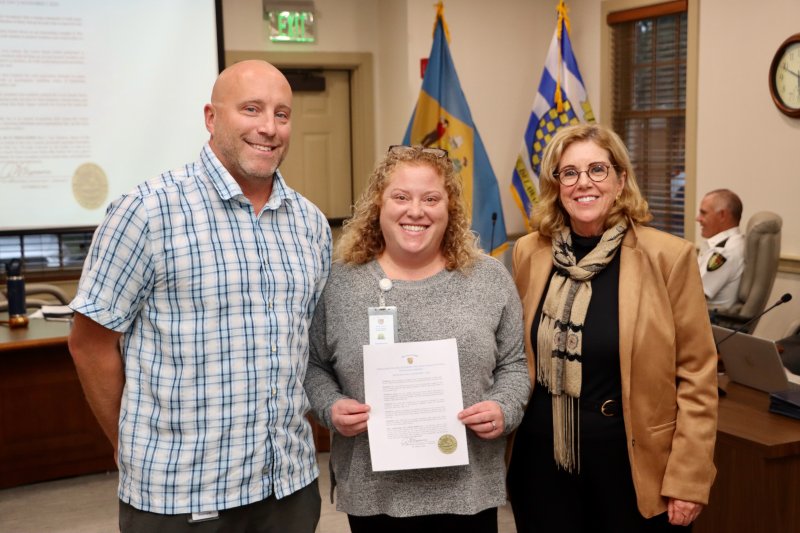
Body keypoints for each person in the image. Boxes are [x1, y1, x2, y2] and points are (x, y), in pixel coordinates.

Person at [68, 60, 331, 532]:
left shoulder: (310, 223)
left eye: (282, 114)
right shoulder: (146, 211)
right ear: (212, 118)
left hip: (287, 490)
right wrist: (125, 442)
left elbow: (306, 345)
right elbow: (89, 343)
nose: (268, 128)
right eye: (251, 109)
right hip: (180, 495)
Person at [304, 145, 530, 533]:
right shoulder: (340, 283)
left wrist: (503, 408)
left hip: (468, 491)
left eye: (430, 198)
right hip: (375, 494)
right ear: (379, 205)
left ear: (449, 209)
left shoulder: (489, 279)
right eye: (401, 197)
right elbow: (313, 365)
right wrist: (332, 407)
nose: (416, 211)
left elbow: (514, 364)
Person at [507, 124, 718, 532]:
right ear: (556, 185)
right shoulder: (530, 252)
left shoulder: (668, 258)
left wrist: (688, 479)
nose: (583, 183)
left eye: (597, 170)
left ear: (621, 180)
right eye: (569, 172)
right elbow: (515, 353)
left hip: (631, 465)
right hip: (540, 464)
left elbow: (697, 375)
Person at [696, 189, 745, 310]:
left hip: (706, 323)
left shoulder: (723, 252)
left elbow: (692, 295)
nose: (698, 218)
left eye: (703, 213)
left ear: (722, 215)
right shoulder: (736, 242)